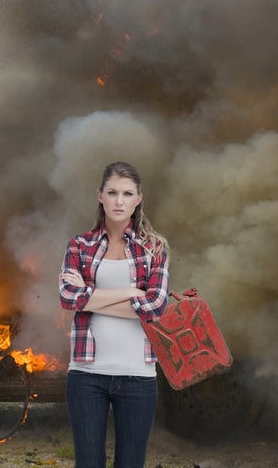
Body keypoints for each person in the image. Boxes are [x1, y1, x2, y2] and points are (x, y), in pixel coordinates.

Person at [58, 161, 169, 468]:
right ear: (100, 196)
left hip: (138, 377)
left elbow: (155, 308)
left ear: (138, 198)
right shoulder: (79, 246)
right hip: (86, 375)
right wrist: (131, 293)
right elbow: (68, 297)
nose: (119, 201)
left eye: (127, 193)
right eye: (113, 192)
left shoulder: (154, 248)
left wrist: (91, 298)